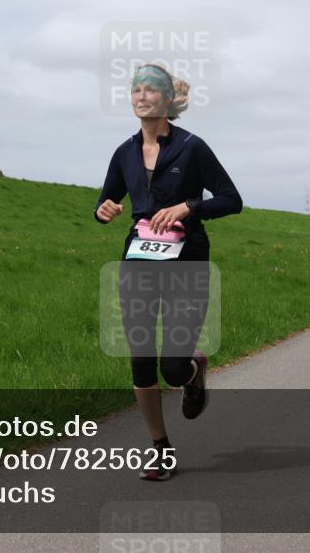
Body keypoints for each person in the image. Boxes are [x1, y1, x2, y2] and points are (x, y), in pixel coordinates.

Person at [94, 63, 242, 481]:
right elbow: (106, 201)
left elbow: (232, 199)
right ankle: (160, 448)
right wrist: (103, 210)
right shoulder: (124, 152)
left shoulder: (192, 148)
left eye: (151, 90)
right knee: (140, 360)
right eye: (135, 89)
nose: (141, 96)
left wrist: (188, 206)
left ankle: (193, 370)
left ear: (167, 100)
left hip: (187, 259)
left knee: (172, 369)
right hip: (138, 261)